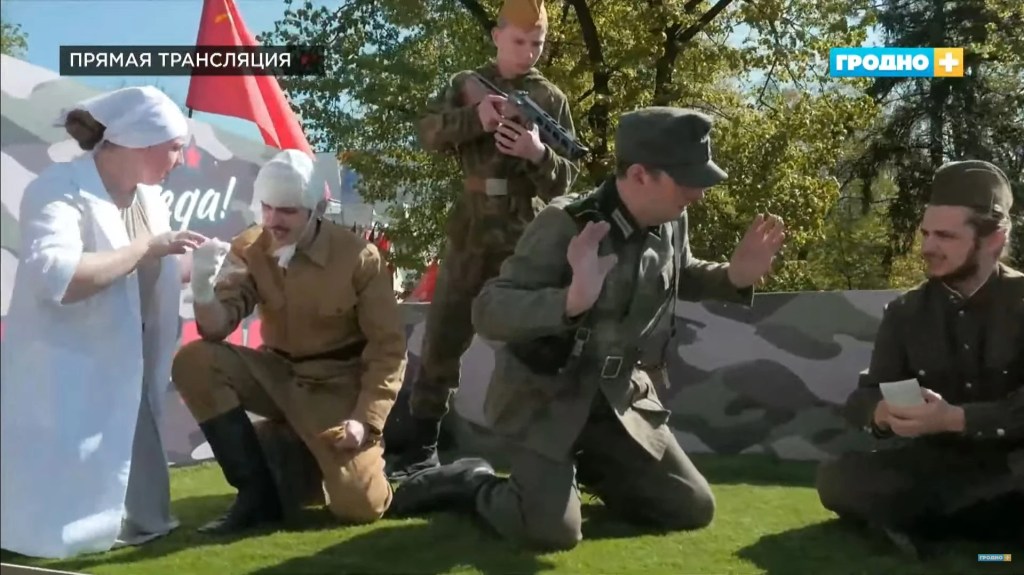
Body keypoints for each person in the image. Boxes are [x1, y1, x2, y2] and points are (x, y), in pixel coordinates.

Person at [387, 107, 787, 550]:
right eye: (686, 180)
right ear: (640, 175)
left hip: (616, 400)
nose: (699, 192)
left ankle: (587, 473)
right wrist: (571, 301)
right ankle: (472, 483)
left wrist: (734, 276)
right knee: (550, 532)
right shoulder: (566, 222)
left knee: (689, 507)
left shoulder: (671, 218)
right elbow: (489, 309)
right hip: (546, 399)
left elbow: (680, 273)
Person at [0, 86, 206, 559]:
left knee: (136, 486)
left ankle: (132, 523)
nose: (179, 160)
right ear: (140, 142)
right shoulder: (57, 189)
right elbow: (60, 278)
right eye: (174, 148)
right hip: (66, 364)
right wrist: (147, 248)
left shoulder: (150, 199)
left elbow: (152, 272)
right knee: (59, 494)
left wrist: (204, 262)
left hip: (131, 359)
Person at [385, 0, 580, 480]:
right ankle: (420, 449)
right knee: (444, 336)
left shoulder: (550, 98)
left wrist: (537, 154)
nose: (528, 52)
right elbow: (426, 133)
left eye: (537, 43)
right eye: (519, 41)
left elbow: (567, 180)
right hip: (470, 229)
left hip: (524, 233)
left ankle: (546, 450)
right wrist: (477, 118)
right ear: (496, 36)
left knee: (537, 339)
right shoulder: (464, 84)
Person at [170, 149, 407, 535]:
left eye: (287, 211)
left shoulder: (359, 258)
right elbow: (216, 328)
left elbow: (388, 350)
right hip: (277, 373)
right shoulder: (250, 246)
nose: (273, 221)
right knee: (195, 361)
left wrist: (366, 421)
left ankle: (431, 479)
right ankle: (256, 495)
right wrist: (202, 289)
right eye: (267, 208)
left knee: (360, 505)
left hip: (336, 386)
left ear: (316, 209)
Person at [815, 160, 1023, 558]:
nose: (927, 247)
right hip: (940, 466)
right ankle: (976, 526)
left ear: (994, 239)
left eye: (945, 236)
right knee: (838, 478)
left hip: (1014, 464)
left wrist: (957, 419)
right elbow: (864, 397)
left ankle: (931, 522)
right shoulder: (906, 312)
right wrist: (882, 413)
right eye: (926, 233)